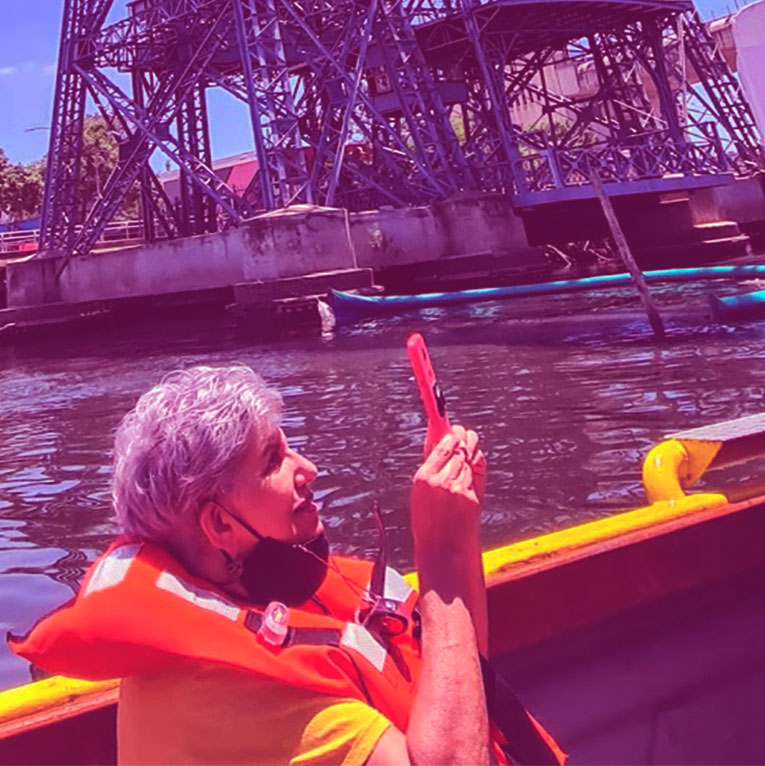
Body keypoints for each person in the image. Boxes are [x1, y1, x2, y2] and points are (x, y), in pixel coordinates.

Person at [10, 365, 564, 765]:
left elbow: (464, 676)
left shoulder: (259, 599)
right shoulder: (226, 684)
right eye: (274, 460)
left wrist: (459, 531)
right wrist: (439, 555)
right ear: (220, 525)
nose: (310, 468)